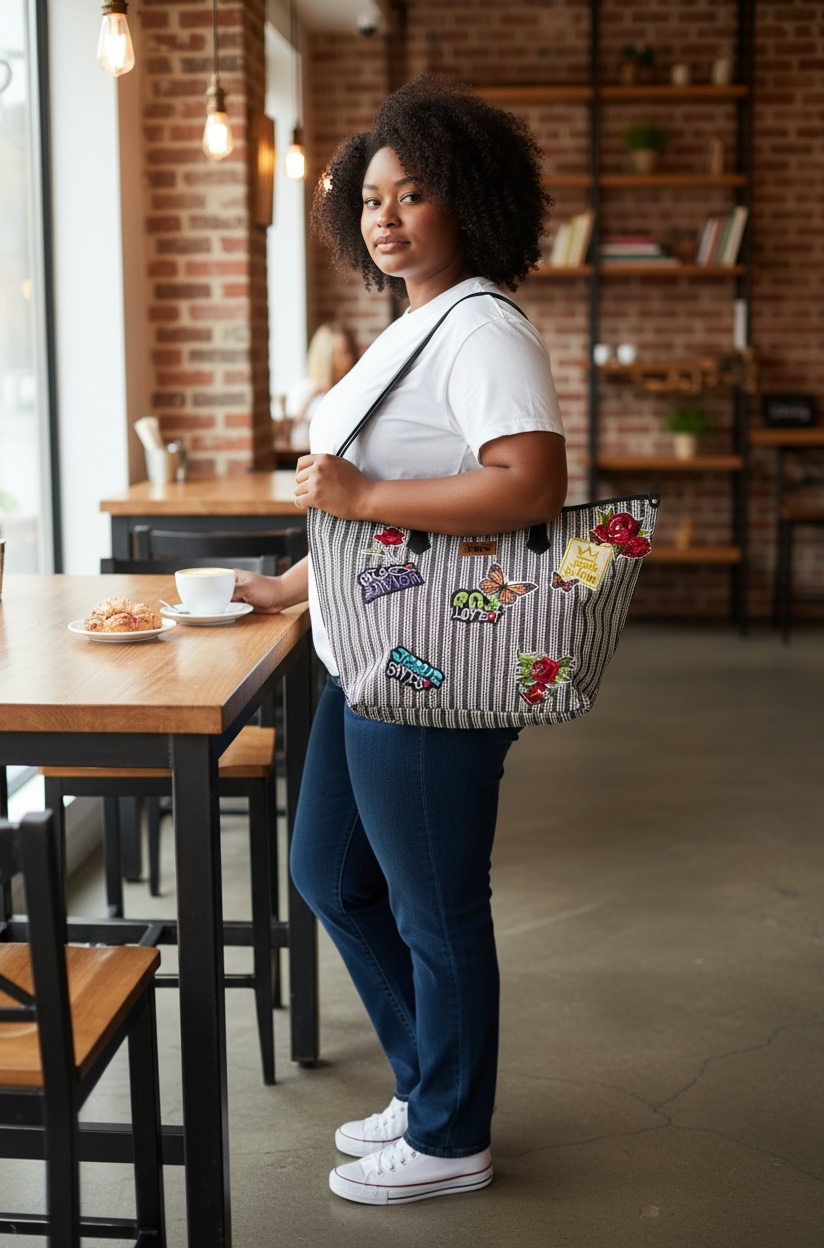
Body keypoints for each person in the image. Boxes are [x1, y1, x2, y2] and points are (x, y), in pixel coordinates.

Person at [233, 73, 567, 1206]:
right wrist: (290, 588)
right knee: (329, 875)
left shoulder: (479, 326)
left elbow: (527, 485)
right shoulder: (417, 325)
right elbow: (370, 504)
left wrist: (363, 491)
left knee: (434, 907)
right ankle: (430, 1084)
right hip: (367, 656)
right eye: (369, 196)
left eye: (411, 192)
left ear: (465, 201)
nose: (384, 215)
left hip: (431, 672)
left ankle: (450, 1136)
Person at [284, 322, 359, 451]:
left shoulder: (353, 389)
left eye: (349, 351)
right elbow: (290, 432)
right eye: (341, 353)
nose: (348, 358)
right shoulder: (303, 389)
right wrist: (313, 394)